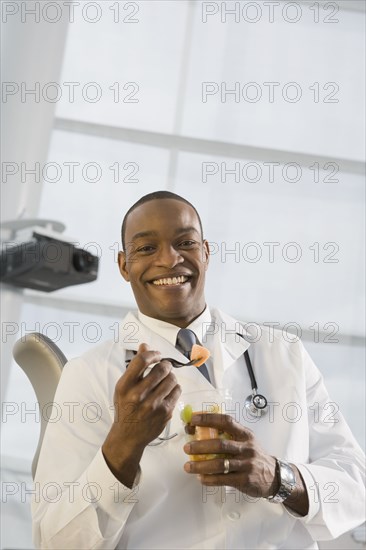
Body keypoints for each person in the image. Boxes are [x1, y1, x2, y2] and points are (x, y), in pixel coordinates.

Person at [32, 191, 365, 549]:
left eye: (185, 242)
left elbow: (356, 486)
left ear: (205, 252)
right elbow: (57, 542)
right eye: (146, 248)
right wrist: (124, 443)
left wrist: (276, 477)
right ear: (124, 265)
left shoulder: (282, 353)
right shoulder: (90, 374)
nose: (170, 259)